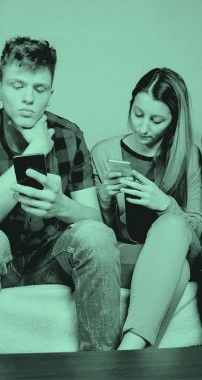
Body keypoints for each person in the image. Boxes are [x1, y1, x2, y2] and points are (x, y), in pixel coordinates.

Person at [0, 36, 121, 354]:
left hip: (50, 258)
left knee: (96, 236)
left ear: (50, 93)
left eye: (39, 89)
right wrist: (34, 150)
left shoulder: (70, 135)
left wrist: (61, 205)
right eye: (17, 86)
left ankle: (101, 368)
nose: (28, 98)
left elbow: (95, 221)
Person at [91, 67, 202, 350]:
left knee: (174, 225)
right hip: (129, 254)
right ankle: (134, 354)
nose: (143, 127)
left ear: (174, 121)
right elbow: (95, 236)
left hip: (176, 249)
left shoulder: (189, 157)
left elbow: (197, 232)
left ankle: (128, 352)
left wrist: (166, 205)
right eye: (137, 114)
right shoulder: (104, 152)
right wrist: (104, 197)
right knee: (178, 274)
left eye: (156, 120)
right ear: (130, 104)